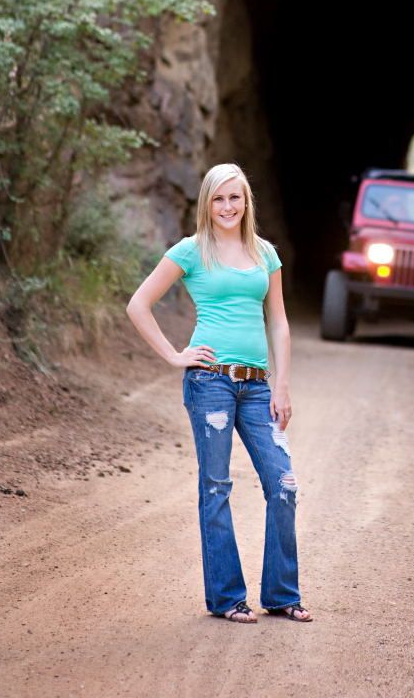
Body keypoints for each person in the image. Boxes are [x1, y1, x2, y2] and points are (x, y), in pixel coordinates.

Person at [125, 162, 312, 625]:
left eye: (236, 197)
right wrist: (174, 356)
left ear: (247, 201)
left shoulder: (265, 253)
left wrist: (281, 384)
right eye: (218, 198)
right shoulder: (191, 251)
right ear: (207, 204)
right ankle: (227, 598)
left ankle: (282, 594)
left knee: (283, 484)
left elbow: (280, 322)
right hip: (210, 382)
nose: (228, 206)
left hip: (257, 386)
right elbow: (138, 304)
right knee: (216, 487)